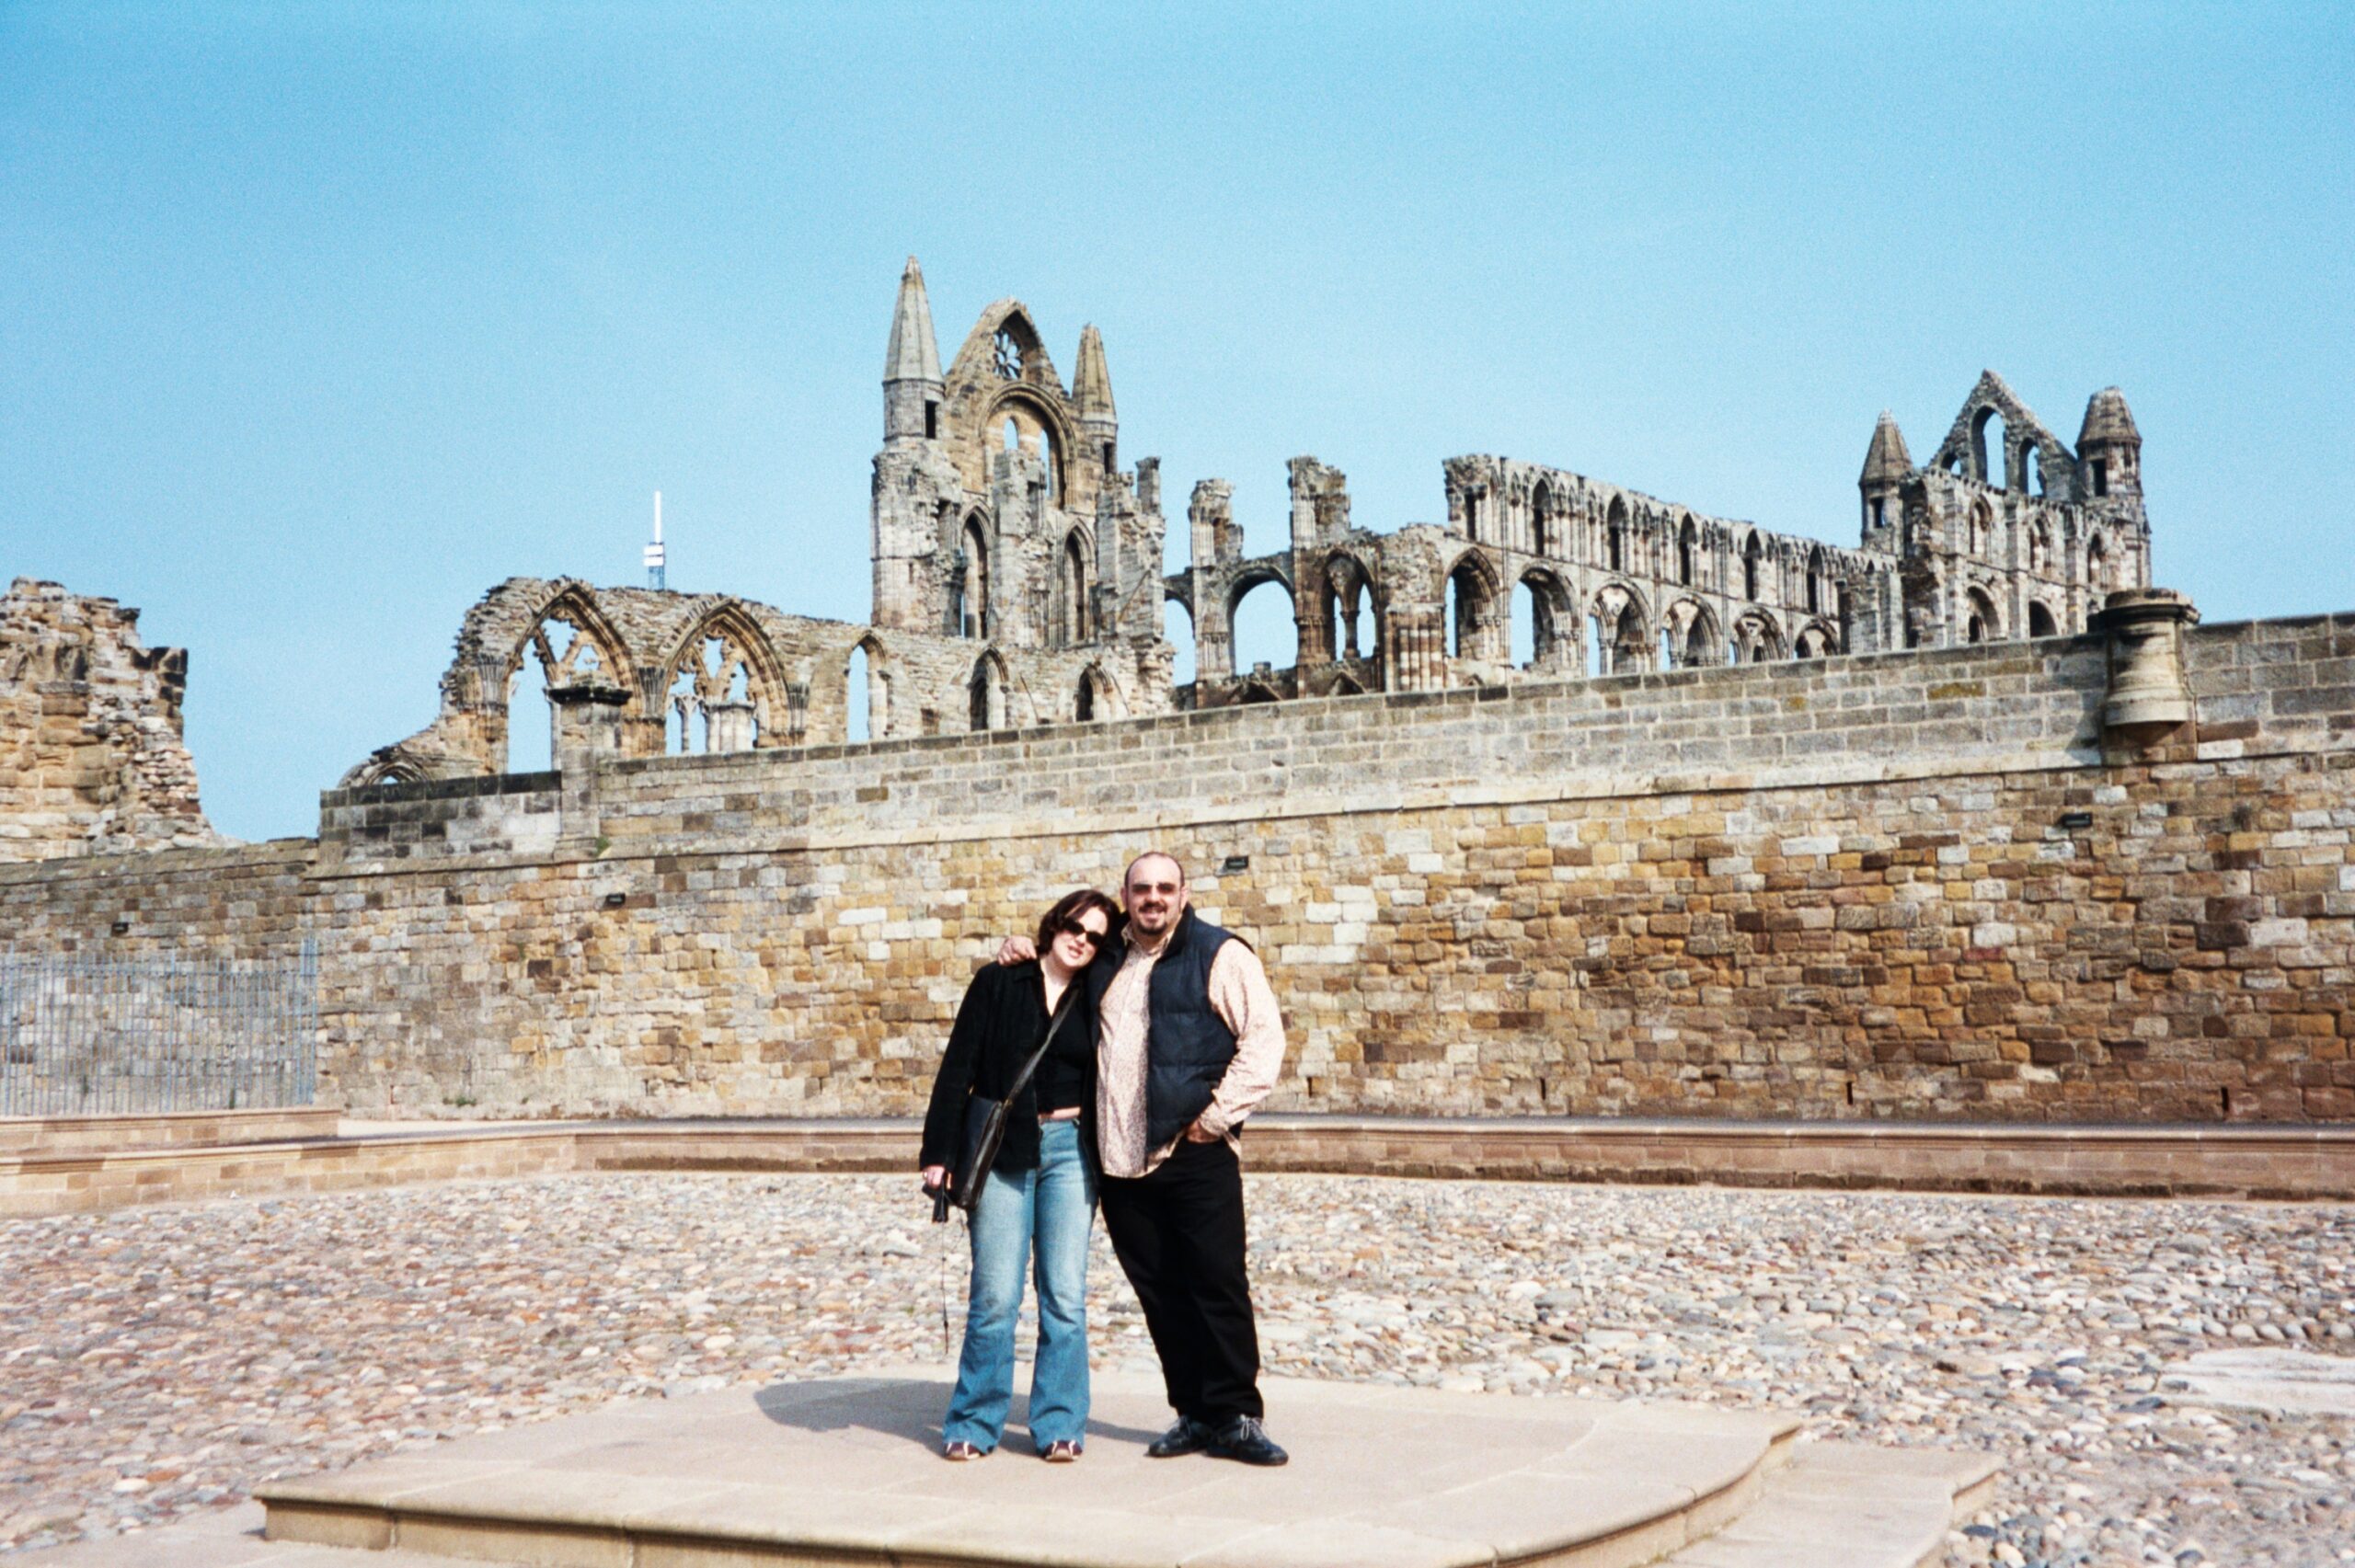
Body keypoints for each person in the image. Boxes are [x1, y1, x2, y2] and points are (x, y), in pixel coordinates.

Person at [999, 852, 1290, 1466]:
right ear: (1126, 896)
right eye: (1140, 889)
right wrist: (1018, 950)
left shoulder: (1220, 953)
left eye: (1164, 887)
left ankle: (1237, 1414)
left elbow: (1264, 1040)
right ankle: (1193, 1411)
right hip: (1120, 1161)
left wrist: (1214, 1118)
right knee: (1160, 1292)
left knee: (1217, 1284)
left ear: (1183, 894)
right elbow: (1055, 972)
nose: (1152, 897)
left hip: (1192, 1152)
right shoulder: (1106, 958)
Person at [920, 887, 1119, 1461]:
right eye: (1075, 928)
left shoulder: (1097, 992)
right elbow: (958, 1067)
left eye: (1095, 936)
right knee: (995, 1296)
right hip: (1004, 1149)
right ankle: (974, 1420)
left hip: (1070, 1151)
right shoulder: (999, 981)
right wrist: (940, 1152)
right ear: (1054, 925)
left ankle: (1059, 1421)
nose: (1082, 940)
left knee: (1064, 1295)